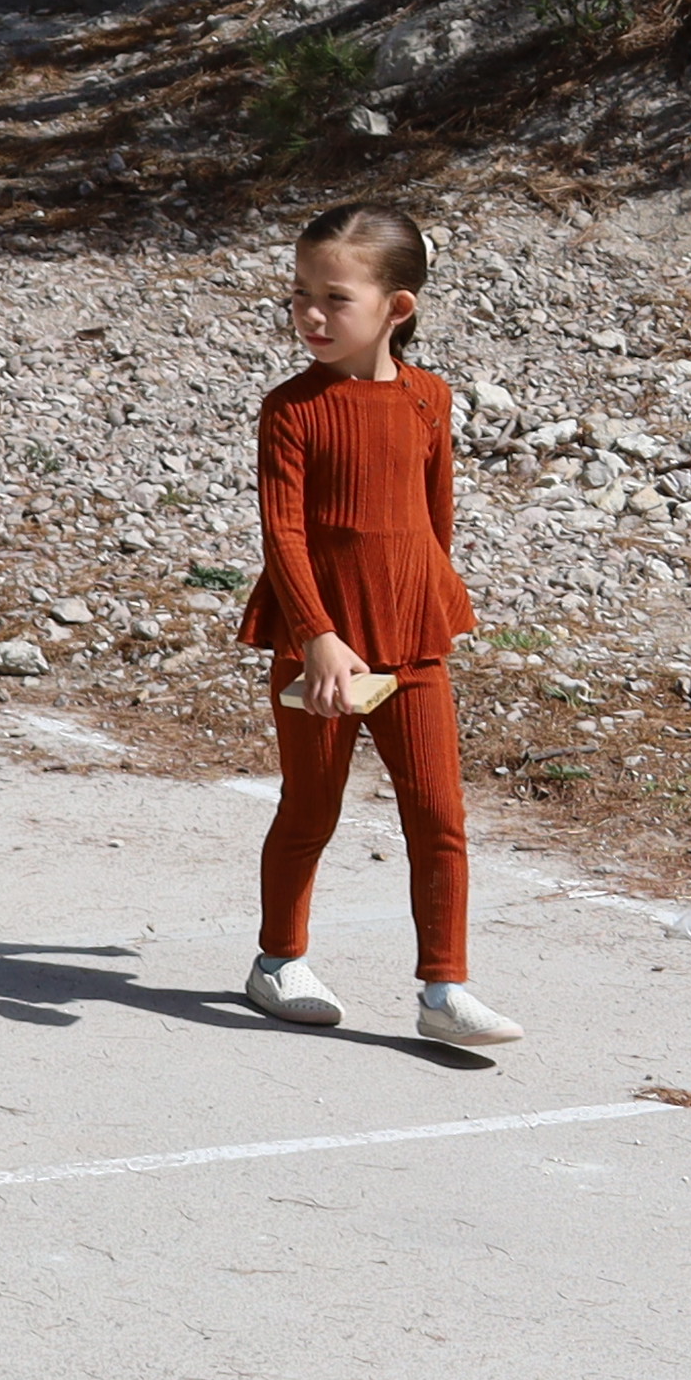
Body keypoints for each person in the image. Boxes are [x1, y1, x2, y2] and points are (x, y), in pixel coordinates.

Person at [242, 199, 506, 1049]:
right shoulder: (291, 409)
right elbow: (282, 534)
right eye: (298, 295)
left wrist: (420, 607)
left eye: (334, 297)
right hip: (317, 646)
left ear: (399, 308)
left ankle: (444, 988)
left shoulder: (432, 399)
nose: (310, 315)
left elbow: (434, 521)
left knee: (439, 815)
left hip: (412, 637)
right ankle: (278, 963)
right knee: (310, 810)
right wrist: (317, 635)